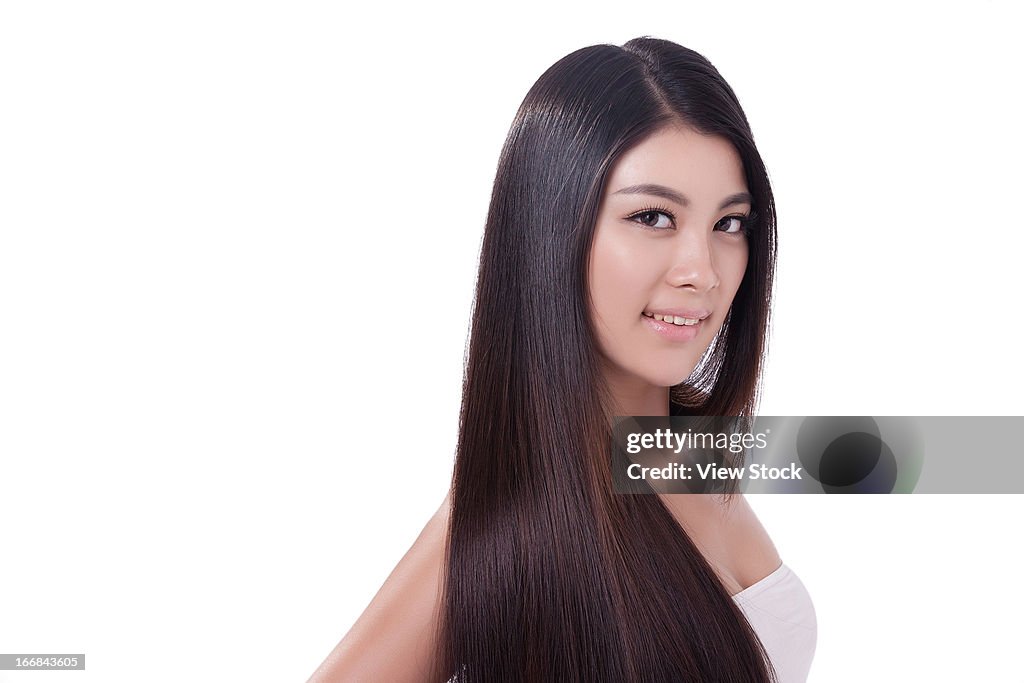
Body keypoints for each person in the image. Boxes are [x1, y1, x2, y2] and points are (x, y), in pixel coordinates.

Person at [309, 36, 816, 683]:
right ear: (552, 232)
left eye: (730, 223)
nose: (703, 271)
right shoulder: (510, 517)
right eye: (654, 216)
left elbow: (942, 456)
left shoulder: (690, 449)